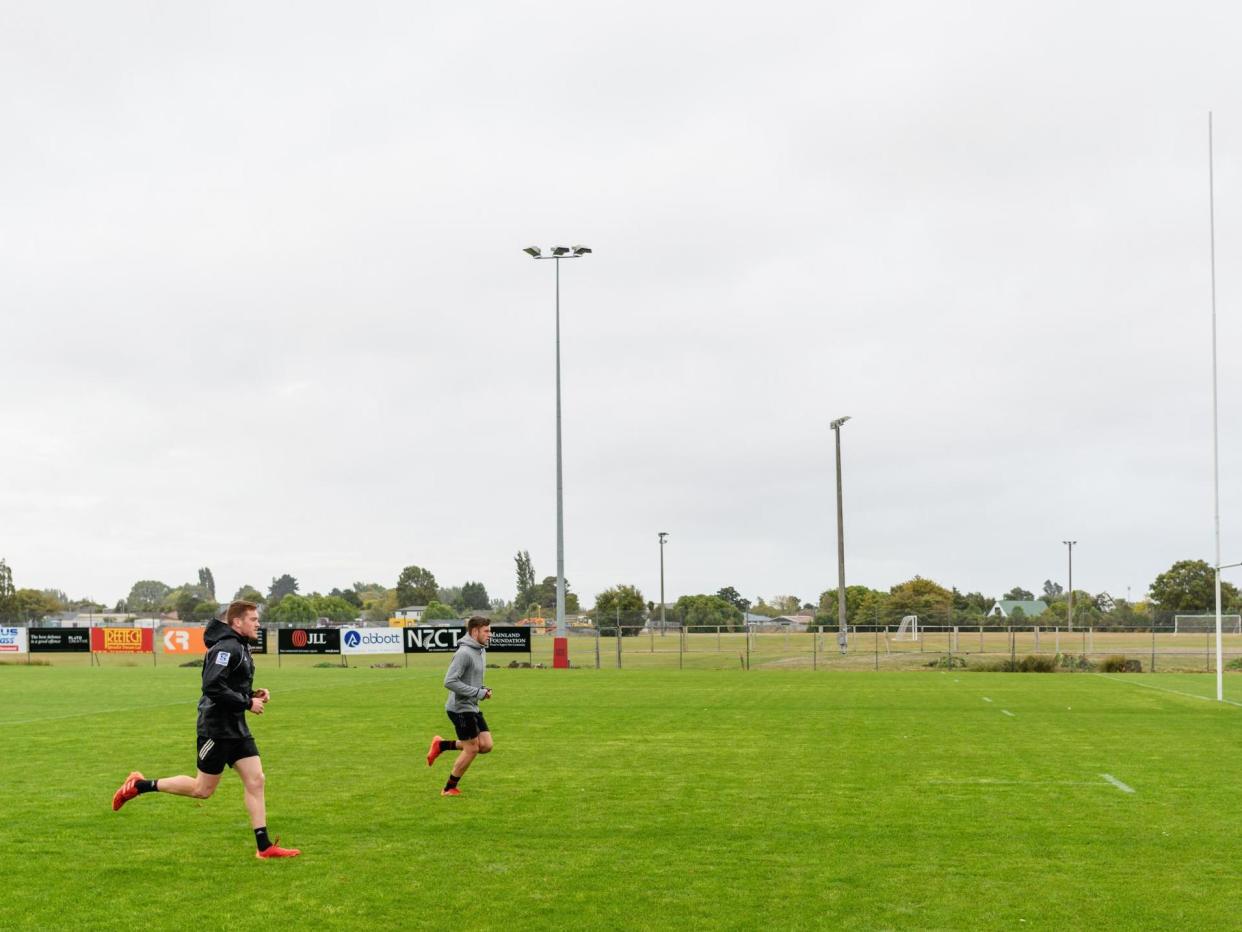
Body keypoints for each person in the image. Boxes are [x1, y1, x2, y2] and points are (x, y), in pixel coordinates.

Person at [111, 600, 301, 859]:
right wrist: (247, 702)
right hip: (216, 729)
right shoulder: (225, 648)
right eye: (253, 619)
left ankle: (264, 847)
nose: (258, 624)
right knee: (202, 790)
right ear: (237, 622)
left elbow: (229, 685)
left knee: (256, 780)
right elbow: (212, 686)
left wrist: (253, 694)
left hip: (237, 728)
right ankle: (140, 785)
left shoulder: (241, 647)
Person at [425, 616, 493, 796]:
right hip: (460, 708)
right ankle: (448, 788)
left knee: (486, 745)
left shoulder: (480, 651)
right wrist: (477, 693)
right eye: (486, 631)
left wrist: (482, 690)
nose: (489, 634)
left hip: (472, 705)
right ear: (474, 631)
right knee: (472, 748)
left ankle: (441, 745)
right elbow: (449, 681)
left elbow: (470, 680)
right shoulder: (464, 653)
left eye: (489, 630)